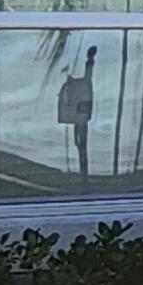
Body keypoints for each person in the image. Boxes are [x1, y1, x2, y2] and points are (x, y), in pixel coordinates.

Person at [57, 44, 99, 183]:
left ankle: (84, 174)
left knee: (81, 145)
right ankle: (83, 174)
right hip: (79, 119)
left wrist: (90, 59)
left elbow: (89, 72)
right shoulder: (72, 87)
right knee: (79, 144)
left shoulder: (81, 85)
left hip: (81, 120)